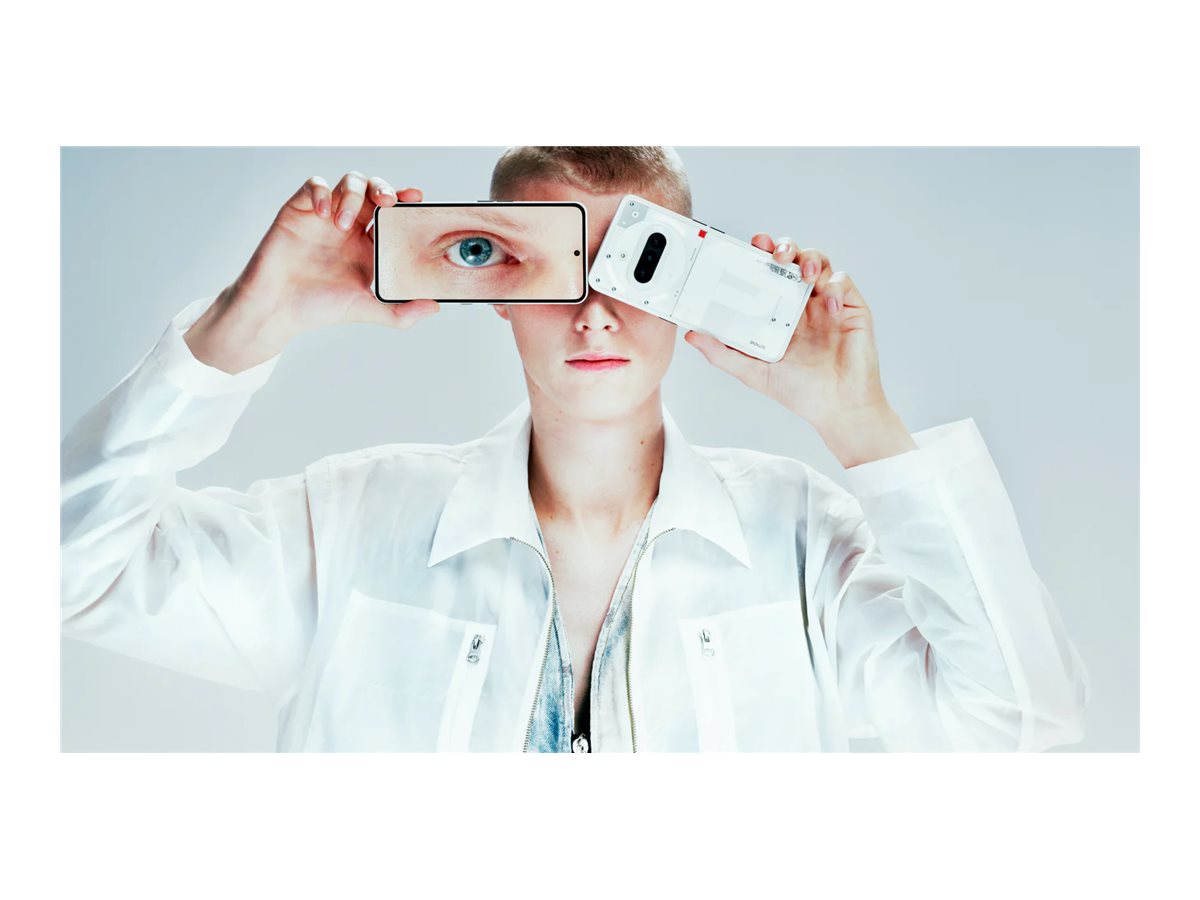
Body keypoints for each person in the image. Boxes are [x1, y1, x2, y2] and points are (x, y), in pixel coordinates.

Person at [60, 146, 1090, 752]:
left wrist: (857, 418)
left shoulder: (801, 539)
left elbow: (1020, 717)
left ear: (694, 290)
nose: (596, 312)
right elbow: (61, 570)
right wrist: (253, 319)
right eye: (553, 264)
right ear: (494, 290)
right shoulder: (354, 523)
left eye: (640, 267)